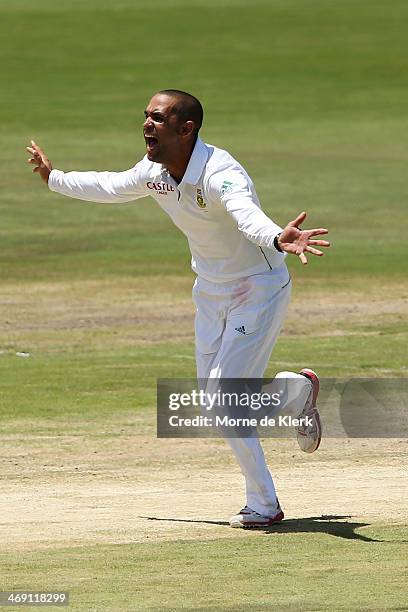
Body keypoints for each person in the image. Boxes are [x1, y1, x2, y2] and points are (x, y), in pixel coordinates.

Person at [26, 89, 330, 528]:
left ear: (186, 129)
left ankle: (264, 504)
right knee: (214, 405)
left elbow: (246, 215)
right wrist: (55, 178)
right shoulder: (154, 171)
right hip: (210, 289)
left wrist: (277, 238)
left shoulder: (221, 173)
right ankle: (296, 392)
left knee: (225, 401)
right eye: (146, 116)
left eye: (158, 118)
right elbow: (110, 185)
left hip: (257, 287)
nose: (147, 124)